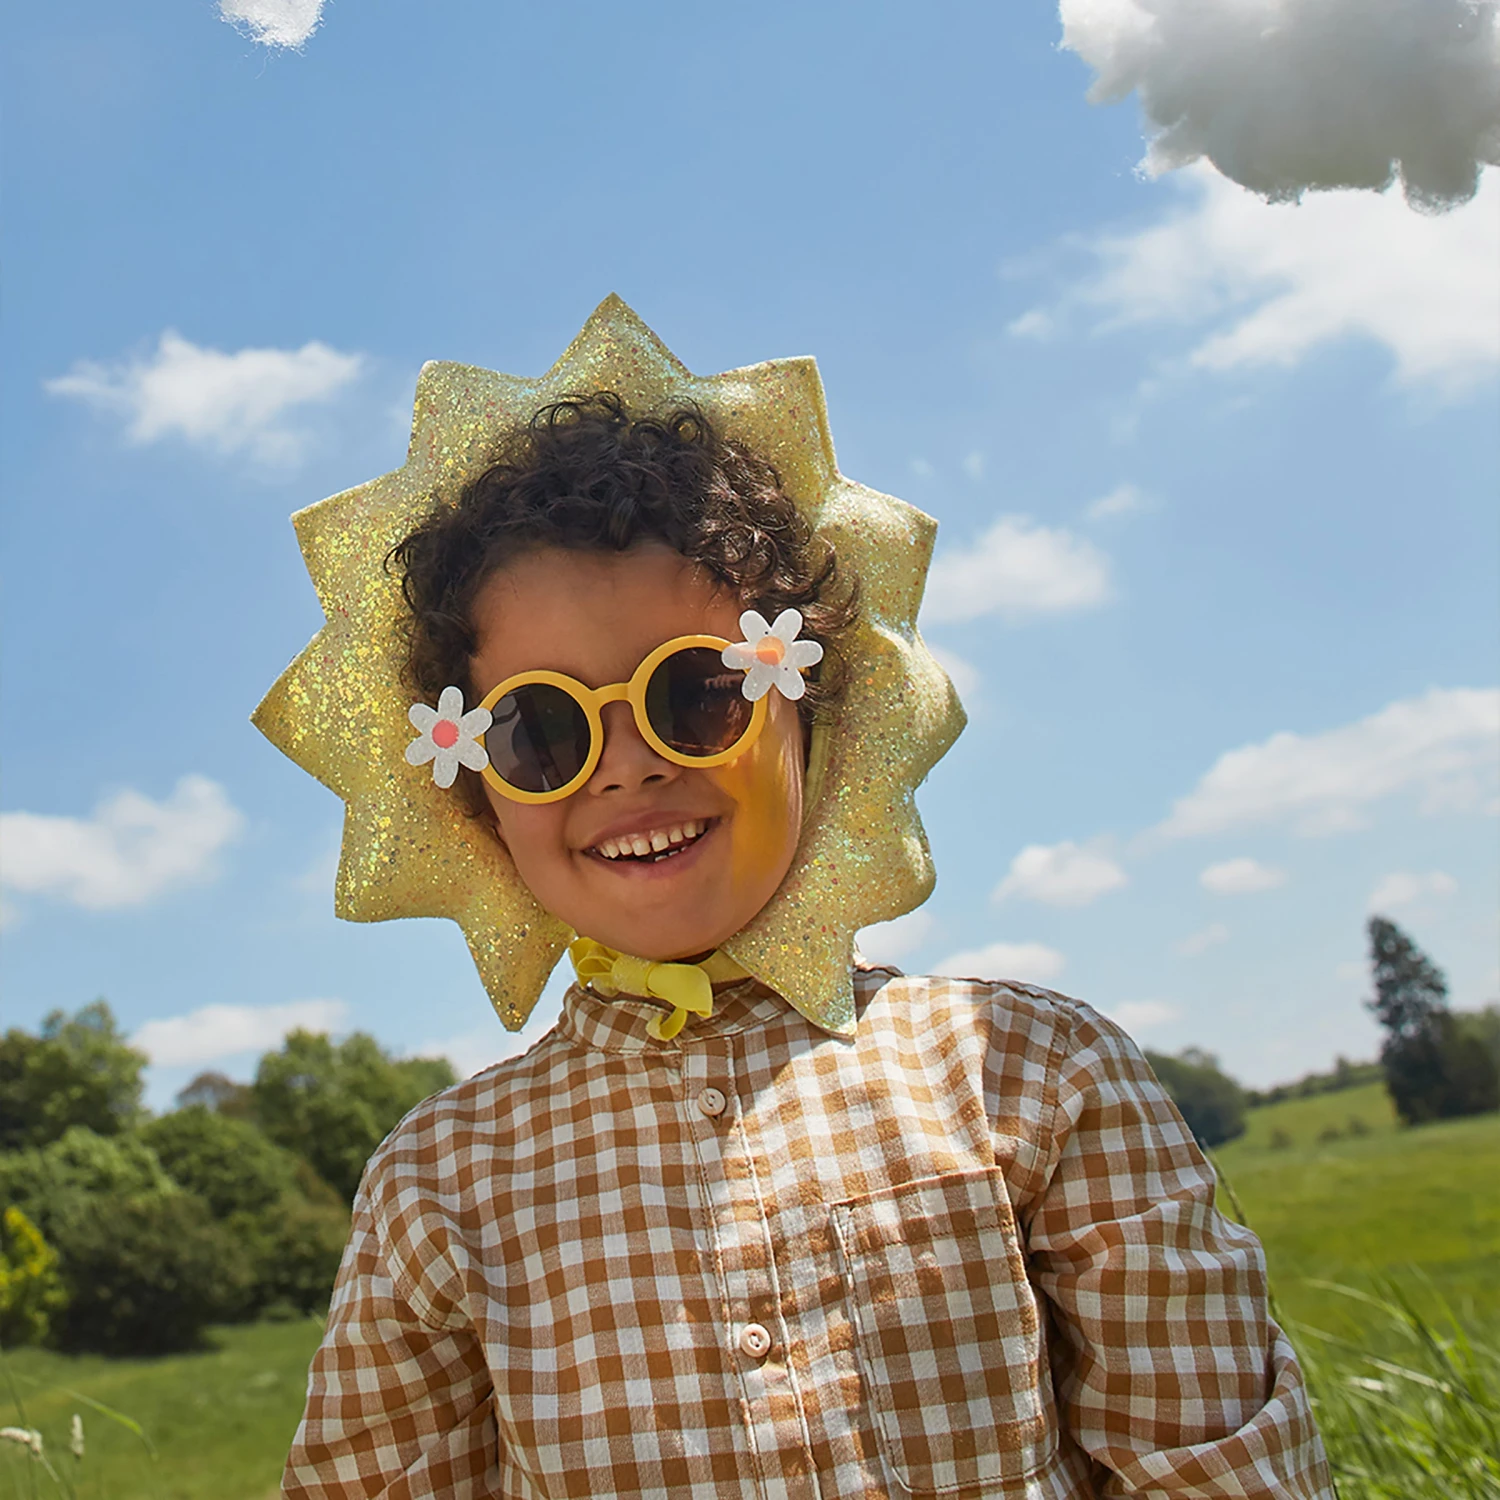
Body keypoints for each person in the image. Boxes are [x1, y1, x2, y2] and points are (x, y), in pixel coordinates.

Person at [259, 299, 1332, 1498]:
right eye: (541, 728)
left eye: (697, 695)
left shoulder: (1032, 1077)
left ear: (812, 719)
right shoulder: (441, 1185)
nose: (627, 767)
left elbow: (1215, 1469)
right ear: (476, 800)